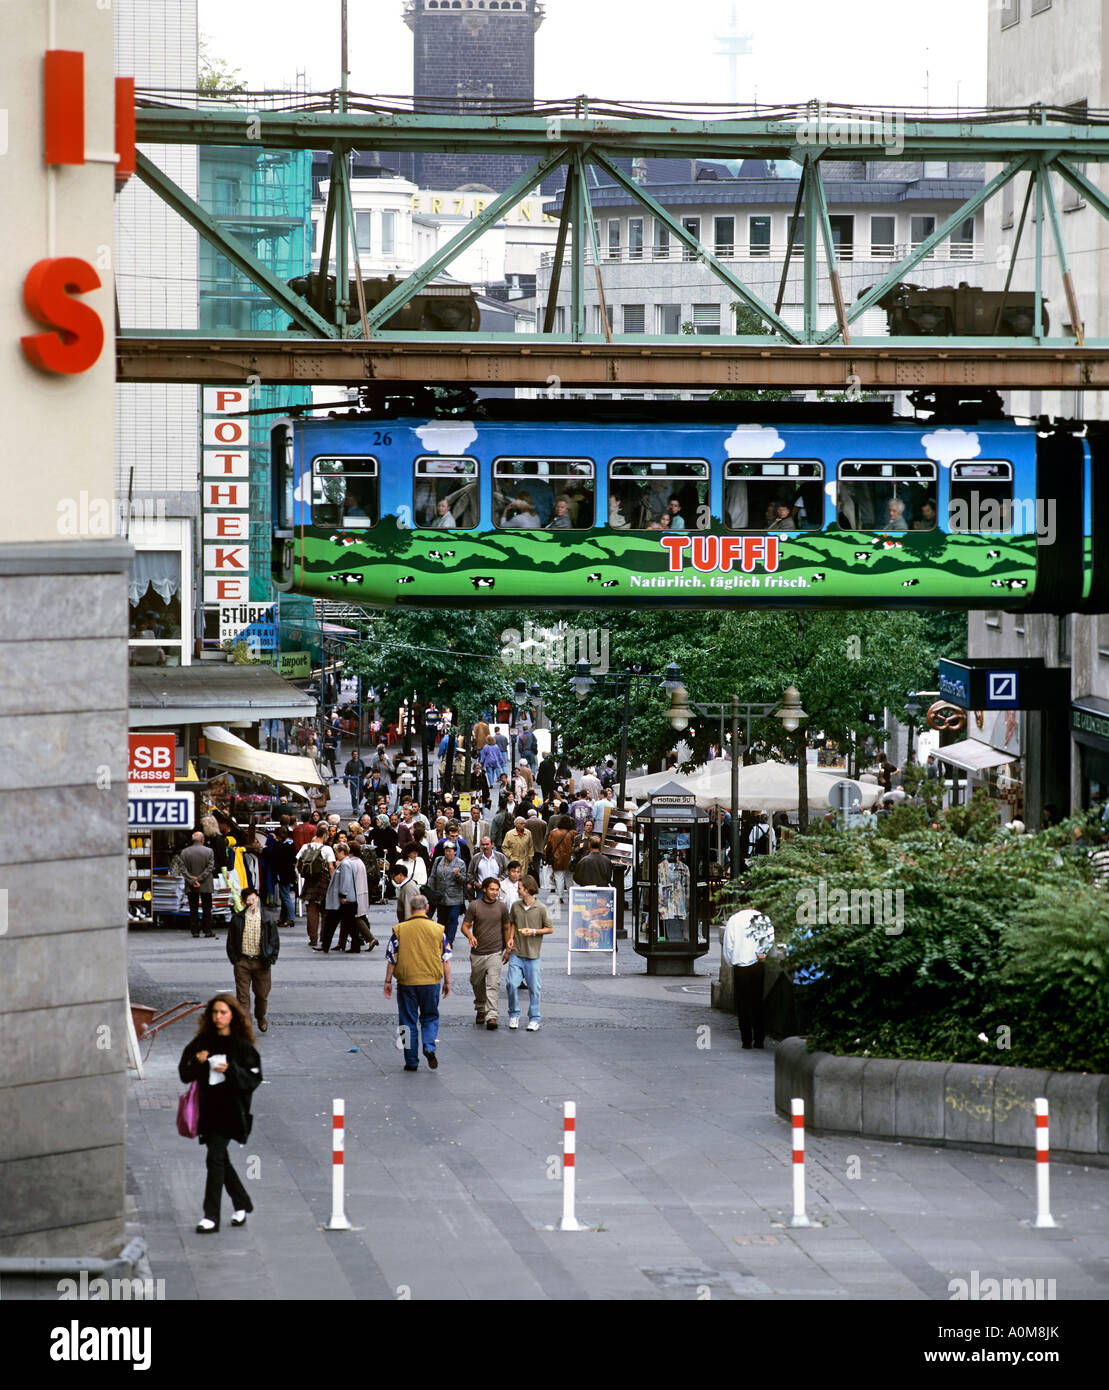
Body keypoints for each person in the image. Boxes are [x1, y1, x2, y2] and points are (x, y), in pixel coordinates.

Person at [177, 994, 262, 1232]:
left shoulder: (241, 1045)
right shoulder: (203, 1042)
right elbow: (185, 1073)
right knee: (220, 1158)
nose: (218, 1017)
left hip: (231, 1111)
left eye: (223, 1012)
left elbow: (254, 1078)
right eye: (215, 1012)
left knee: (214, 1157)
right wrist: (198, 1062)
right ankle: (242, 1202)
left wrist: (231, 1070)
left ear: (232, 1015)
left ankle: (210, 1216)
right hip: (207, 1109)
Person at [384, 895, 452, 1072]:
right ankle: (429, 1046)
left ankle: (411, 1060)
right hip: (431, 981)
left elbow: (392, 958)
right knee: (430, 1017)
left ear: (411, 908)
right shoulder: (439, 930)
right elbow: (445, 959)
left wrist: (388, 981)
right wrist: (448, 982)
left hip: (407, 981)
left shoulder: (400, 929)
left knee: (407, 1021)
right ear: (427, 908)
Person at [226, 889, 280, 1033]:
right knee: (243, 997)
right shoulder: (238, 919)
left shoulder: (267, 918)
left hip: (261, 962)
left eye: (254, 899)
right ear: (244, 902)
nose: (252, 903)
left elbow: (274, 941)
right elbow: (230, 941)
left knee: (262, 995)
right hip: (243, 961)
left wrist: (271, 958)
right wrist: (235, 960)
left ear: (258, 899)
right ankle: (246, 1026)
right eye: (249, 900)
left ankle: (260, 1016)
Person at [721, 908, 775, 1049]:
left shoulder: (734, 919)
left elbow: (728, 944)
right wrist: (762, 952)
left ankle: (746, 1039)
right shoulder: (763, 918)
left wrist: (730, 961)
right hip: (757, 963)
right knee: (757, 1001)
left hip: (740, 965)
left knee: (742, 1003)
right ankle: (759, 1039)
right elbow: (769, 938)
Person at [505, 875, 552, 1031]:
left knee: (534, 987)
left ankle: (534, 1017)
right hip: (516, 952)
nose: (517, 890)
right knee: (511, 984)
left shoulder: (541, 908)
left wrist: (533, 931)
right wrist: (510, 939)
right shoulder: (516, 906)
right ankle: (514, 1014)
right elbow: (512, 923)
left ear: (527, 889)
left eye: (519, 888)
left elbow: (550, 929)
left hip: (533, 955)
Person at [462, 877, 511, 1030]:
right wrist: (470, 936)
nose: (495, 892)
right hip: (477, 952)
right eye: (492, 889)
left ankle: (492, 1015)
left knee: (493, 984)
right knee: (477, 983)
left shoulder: (502, 907)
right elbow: (464, 926)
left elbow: (506, 927)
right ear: (484, 889)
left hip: (495, 951)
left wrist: (508, 949)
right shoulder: (474, 906)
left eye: (497, 890)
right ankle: (480, 1008)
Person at [296, 826, 334, 950]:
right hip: (323, 880)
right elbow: (331, 867)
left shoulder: (305, 847)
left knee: (311, 910)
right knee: (325, 911)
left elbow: (297, 863)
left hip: (309, 880)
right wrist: (333, 881)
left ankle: (313, 939)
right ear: (324, 835)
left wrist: (303, 874)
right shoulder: (327, 849)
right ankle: (323, 937)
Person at [426, 840, 467, 946]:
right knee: (442, 919)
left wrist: (457, 875)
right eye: (446, 851)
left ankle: (450, 940)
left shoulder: (460, 863)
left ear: (454, 852)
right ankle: (442, 938)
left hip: (455, 897)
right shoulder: (438, 860)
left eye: (450, 851)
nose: (448, 853)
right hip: (441, 896)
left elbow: (463, 880)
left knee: (453, 918)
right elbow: (433, 876)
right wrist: (430, 891)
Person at [321, 842, 358, 954]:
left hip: (342, 901)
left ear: (342, 852)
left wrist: (343, 894)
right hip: (347, 900)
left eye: (336, 853)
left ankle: (325, 945)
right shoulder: (348, 863)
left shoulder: (345, 864)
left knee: (331, 924)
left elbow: (345, 881)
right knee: (350, 924)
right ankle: (355, 946)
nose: (336, 855)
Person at [180, 830, 216, 938]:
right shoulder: (209, 851)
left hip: (191, 885)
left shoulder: (184, 852)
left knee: (193, 908)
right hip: (205, 884)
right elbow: (210, 867)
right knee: (206, 908)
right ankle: (207, 930)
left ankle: (195, 931)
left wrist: (192, 880)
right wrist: (200, 879)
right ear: (202, 840)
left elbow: (183, 868)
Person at [543, 814, 575, 904]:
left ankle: (560, 896)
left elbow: (549, 846)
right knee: (569, 878)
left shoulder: (554, 833)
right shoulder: (572, 833)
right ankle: (571, 895)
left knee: (558, 877)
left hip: (557, 858)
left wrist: (547, 856)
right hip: (569, 858)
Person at [344, 751, 366, 816]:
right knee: (353, 794)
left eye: (356, 754)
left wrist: (363, 777)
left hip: (360, 779)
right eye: (354, 754)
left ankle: (357, 804)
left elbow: (364, 770)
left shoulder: (361, 762)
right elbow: (346, 773)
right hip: (353, 779)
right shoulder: (349, 763)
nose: (355, 755)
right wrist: (346, 782)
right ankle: (355, 808)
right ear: (352, 755)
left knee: (361, 793)